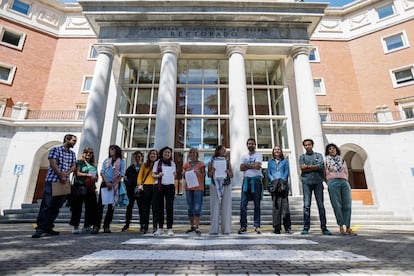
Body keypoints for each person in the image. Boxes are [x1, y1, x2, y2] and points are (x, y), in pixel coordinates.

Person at [32, 134, 77, 238]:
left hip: (64, 182)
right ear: (67, 139)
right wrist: (60, 174)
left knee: (57, 206)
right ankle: (40, 228)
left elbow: (73, 166)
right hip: (52, 181)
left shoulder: (72, 154)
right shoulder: (55, 150)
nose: (75, 143)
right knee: (47, 205)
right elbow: (53, 163)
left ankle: (48, 227)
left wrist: (66, 174)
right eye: (73, 141)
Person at [299, 138, 331, 235]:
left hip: (318, 182)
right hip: (306, 183)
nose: (307, 146)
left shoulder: (319, 155)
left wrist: (308, 167)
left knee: (320, 205)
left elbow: (320, 166)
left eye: (309, 144)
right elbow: (302, 168)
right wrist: (314, 167)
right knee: (306, 205)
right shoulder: (302, 157)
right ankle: (306, 227)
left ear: (312, 145)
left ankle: (324, 227)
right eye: (305, 145)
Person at [325, 143, 357, 236]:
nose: (332, 150)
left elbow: (346, 171)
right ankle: (341, 226)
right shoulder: (326, 160)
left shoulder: (342, 160)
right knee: (337, 205)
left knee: (347, 205)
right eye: (330, 149)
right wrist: (329, 182)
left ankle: (348, 227)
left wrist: (346, 181)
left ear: (336, 149)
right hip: (333, 182)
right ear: (327, 151)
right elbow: (324, 173)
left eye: (333, 148)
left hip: (344, 182)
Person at [92, 145, 125, 234]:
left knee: (111, 207)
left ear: (117, 151)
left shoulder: (121, 162)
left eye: (112, 149)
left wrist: (113, 184)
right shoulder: (106, 161)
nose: (111, 151)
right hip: (105, 184)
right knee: (100, 206)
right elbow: (102, 172)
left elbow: (121, 174)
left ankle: (106, 226)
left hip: (115, 185)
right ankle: (96, 226)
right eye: (110, 149)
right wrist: (107, 182)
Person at [69, 147, 98, 234]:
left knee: (91, 208)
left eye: (90, 153)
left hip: (90, 187)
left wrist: (95, 178)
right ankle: (75, 226)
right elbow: (77, 173)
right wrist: (88, 175)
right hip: (80, 186)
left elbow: (96, 176)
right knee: (77, 207)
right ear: (83, 153)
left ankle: (87, 226)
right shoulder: (79, 162)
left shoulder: (93, 165)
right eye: (86, 152)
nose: (88, 154)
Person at [239, 138, 264, 234]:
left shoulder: (259, 155)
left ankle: (257, 226)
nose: (251, 145)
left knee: (257, 204)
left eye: (252, 143)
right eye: (249, 143)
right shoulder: (244, 156)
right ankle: (243, 226)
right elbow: (241, 168)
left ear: (255, 145)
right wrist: (252, 165)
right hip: (246, 182)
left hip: (256, 181)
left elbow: (258, 166)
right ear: (247, 145)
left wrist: (247, 166)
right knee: (243, 205)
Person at [208, 145, 233, 235]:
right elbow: (209, 175)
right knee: (214, 207)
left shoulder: (227, 161)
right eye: (222, 150)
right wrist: (213, 171)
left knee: (226, 207)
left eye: (225, 150)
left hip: (225, 184)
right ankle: (214, 229)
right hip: (215, 184)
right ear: (218, 151)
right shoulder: (211, 161)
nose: (224, 151)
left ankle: (226, 229)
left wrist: (228, 172)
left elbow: (231, 175)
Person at [266, 145, 292, 234]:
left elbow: (286, 172)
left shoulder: (285, 161)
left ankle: (287, 227)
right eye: (275, 150)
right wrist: (273, 179)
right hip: (274, 184)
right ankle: (277, 227)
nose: (277, 151)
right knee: (276, 206)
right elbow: (268, 172)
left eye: (278, 149)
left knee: (285, 207)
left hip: (283, 184)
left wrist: (283, 180)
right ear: (273, 152)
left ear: (281, 151)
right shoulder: (270, 162)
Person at [152, 146, 176, 236]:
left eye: (169, 153)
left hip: (170, 186)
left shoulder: (172, 163)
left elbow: (174, 175)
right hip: (159, 186)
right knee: (159, 207)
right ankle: (160, 227)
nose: (167, 154)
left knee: (169, 207)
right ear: (162, 153)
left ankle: (170, 228)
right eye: (165, 152)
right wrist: (158, 175)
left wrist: (175, 174)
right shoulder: (157, 163)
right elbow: (153, 175)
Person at [183, 148, 206, 235]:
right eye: (191, 153)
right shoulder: (186, 165)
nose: (192, 154)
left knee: (197, 207)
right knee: (190, 207)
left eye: (194, 153)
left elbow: (204, 175)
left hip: (198, 188)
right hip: (188, 188)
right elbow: (184, 176)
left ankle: (196, 225)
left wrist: (198, 173)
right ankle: (192, 226)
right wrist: (184, 174)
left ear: (197, 154)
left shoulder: (201, 164)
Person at [136, 149, 158, 234]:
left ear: (157, 156)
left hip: (155, 187)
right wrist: (139, 185)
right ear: (149, 156)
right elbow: (139, 176)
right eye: (151, 154)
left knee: (155, 208)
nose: (153, 156)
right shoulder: (145, 165)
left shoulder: (159, 165)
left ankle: (155, 226)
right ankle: (145, 226)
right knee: (146, 208)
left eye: (154, 154)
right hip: (146, 187)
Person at [122, 151, 143, 232]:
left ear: (141, 157)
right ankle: (127, 224)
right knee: (129, 208)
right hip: (130, 191)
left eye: (139, 156)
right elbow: (125, 178)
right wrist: (128, 186)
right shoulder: (130, 168)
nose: (137, 158)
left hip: (140, 191)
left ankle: (142, 224)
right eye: (136, 157)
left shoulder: (143, 167)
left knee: (141, 208)